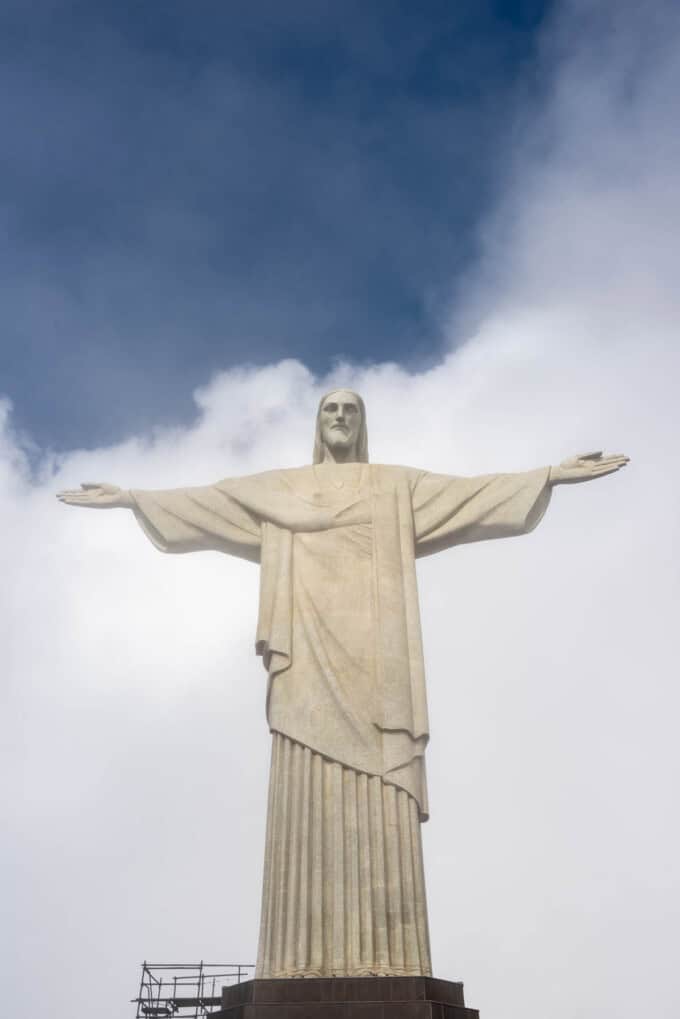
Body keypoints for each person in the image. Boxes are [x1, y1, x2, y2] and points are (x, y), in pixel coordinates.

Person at [58, 389, 628, 979]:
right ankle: (292, 962)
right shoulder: (277, 490)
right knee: (304, 775)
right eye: (330, 410)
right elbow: (210, 504)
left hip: (379, 666)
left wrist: (551, 476)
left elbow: (471, 496)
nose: (339, 418)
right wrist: (131, 498)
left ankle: (392, 960)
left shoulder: (394, 486)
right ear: (317, 423)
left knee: (383, 788)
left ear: (361, 425)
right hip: (304, 658)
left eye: (350, 410)